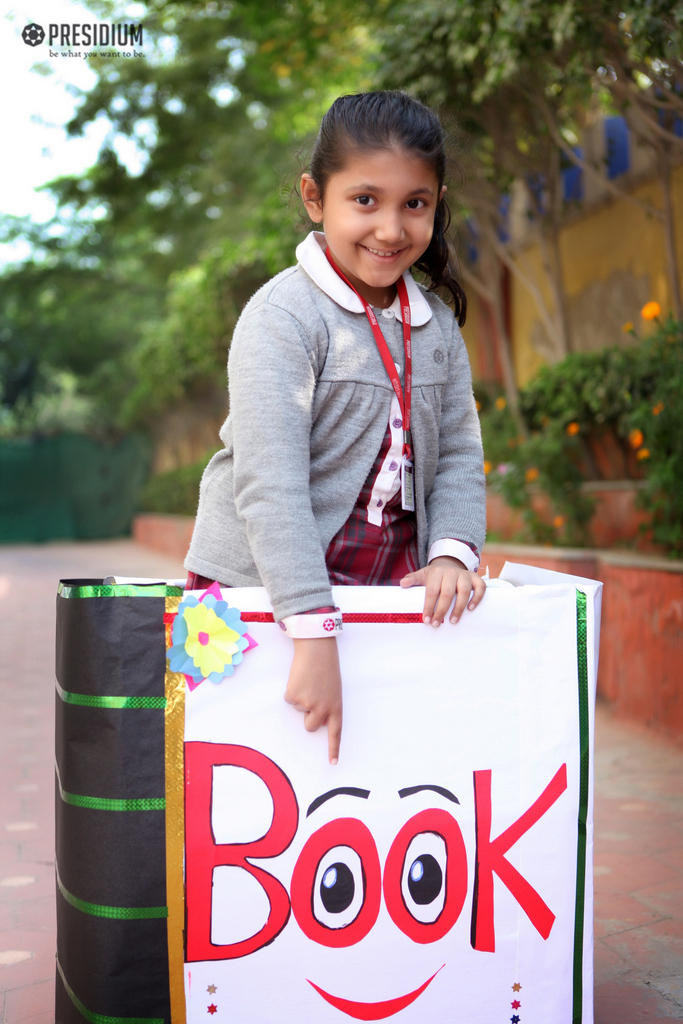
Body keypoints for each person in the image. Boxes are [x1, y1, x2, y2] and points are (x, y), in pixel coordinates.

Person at [185, 91, 487, 765]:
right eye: (365, 201)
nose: (390, 228)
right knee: (229, 779)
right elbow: (270, 485)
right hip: (256, 589)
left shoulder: (435, 325)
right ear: (314, 197)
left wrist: (451, 553)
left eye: (415, 203)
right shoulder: (282, 317)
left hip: (380, 586)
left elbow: (462, 454)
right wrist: (312, 633)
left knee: (366, 778)